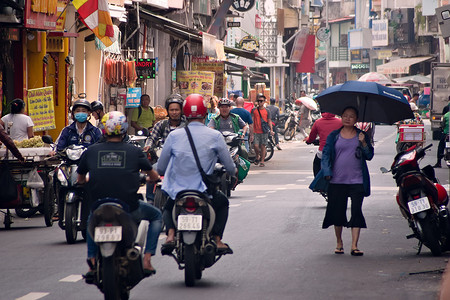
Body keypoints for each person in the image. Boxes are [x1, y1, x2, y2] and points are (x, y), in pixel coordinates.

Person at [77, 111, 162, 277]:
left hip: (99, 205)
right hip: (128, 206)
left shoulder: (91, 151)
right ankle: (147, 260)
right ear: (124, 130)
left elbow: (80, 178)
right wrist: (153, 179)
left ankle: (92, 262)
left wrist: (85, 182)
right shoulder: (134, 151)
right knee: (156, 216)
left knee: (90, 221)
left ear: (103, 129)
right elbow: (153, 175)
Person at [157, 94, 236, 254]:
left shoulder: (173, 136)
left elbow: (160, 168)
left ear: (184, 114)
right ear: (206, 115)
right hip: (204, 190)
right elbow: (230, 166)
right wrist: (232, 172)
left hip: (177, 191)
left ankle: (171, 235)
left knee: (167, 206)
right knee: (222, 203)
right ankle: (217, 239)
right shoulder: (215, 136)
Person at [309, 106, 374, 256]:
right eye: (345, 115)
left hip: (357, 180)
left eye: (351, 116)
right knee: (337, 213)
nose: (347, 118)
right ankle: (339, 242)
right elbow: (325, 155)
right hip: (337, 180)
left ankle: (354, 245)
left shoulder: (361, 135)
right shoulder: (334, 136)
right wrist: (327, 172)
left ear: (356, 119)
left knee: (356, 211)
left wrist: (364, 143)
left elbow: (369, 155)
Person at [142, 94, 187, 203]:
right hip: (165, 159)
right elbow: (152, 138)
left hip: (184, 161)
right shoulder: (161, 125)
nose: (174, 112)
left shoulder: (187, 125)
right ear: (167, 111)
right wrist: (147, 146)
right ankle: (150, 199)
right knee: (153, 170)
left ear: (181, 110)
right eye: (172, 110)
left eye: (177, 110)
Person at [251, 93, 274, 167]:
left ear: (264, 102)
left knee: (263, 146)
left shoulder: (267, 111)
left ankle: (262, 161)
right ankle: (258, 155)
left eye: (261, 101)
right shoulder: (254, 110)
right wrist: (251, 130)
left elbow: (269, 120)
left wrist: (271, 129)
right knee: (256, 145)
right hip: (255, 131)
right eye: (259, 101)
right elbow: (252, 120)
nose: (260, 102)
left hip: (264, 131)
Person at [434, 104, 450, 168]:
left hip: (446, 134)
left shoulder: (446, 115)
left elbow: (442, 125)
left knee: (441, 147)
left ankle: (439, 162)